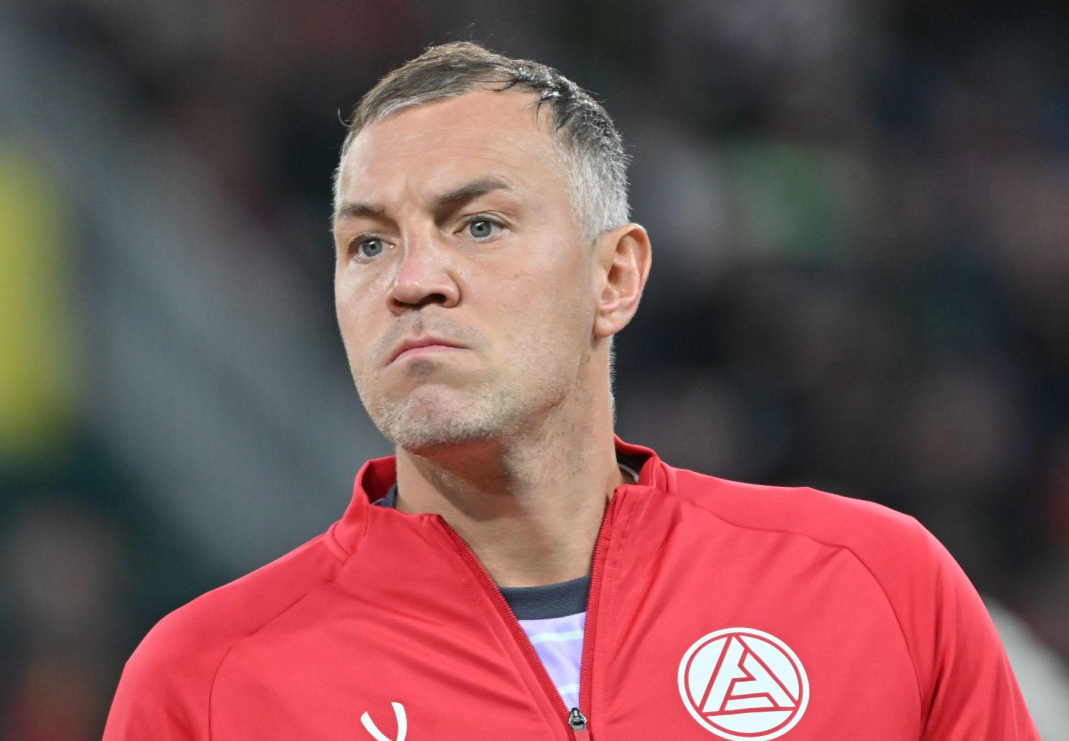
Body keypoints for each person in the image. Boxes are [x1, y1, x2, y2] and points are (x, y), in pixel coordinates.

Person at [103, 42, 1038, 740]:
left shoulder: (875, 590)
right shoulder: (208, 684)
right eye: (369, 243)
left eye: (477, 224)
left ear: (615, 277)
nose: (411, 280)